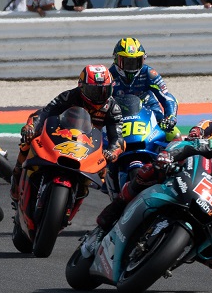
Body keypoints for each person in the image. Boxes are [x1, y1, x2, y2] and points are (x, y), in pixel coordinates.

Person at [91, 120, 212, 272]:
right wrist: (169, 156)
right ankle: (108, 219)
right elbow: (191, 146)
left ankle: (173, 256)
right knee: (148, 171)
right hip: (189, 181)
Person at [11, 64, 126, 199]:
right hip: (61, 135)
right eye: (94, 91)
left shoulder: (113, 108)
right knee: (27, 141)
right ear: (81, 87)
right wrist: (31, 127)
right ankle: (18, 172)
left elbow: (118, 137)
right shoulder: (69, 96)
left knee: (102, 173)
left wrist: (112, 152)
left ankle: (78, 194)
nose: (100, 96)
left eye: (105, 90)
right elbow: (45, 112)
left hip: (88, 145)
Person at [108, 37, 179, 138]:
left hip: (150, 111)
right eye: (127, 62)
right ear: (116, 59)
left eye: (136, 61)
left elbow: (167, 97)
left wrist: (171, 118)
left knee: (175, 135)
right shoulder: (109, 76)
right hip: (120, 115)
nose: (131, 66)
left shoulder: (149, 73)